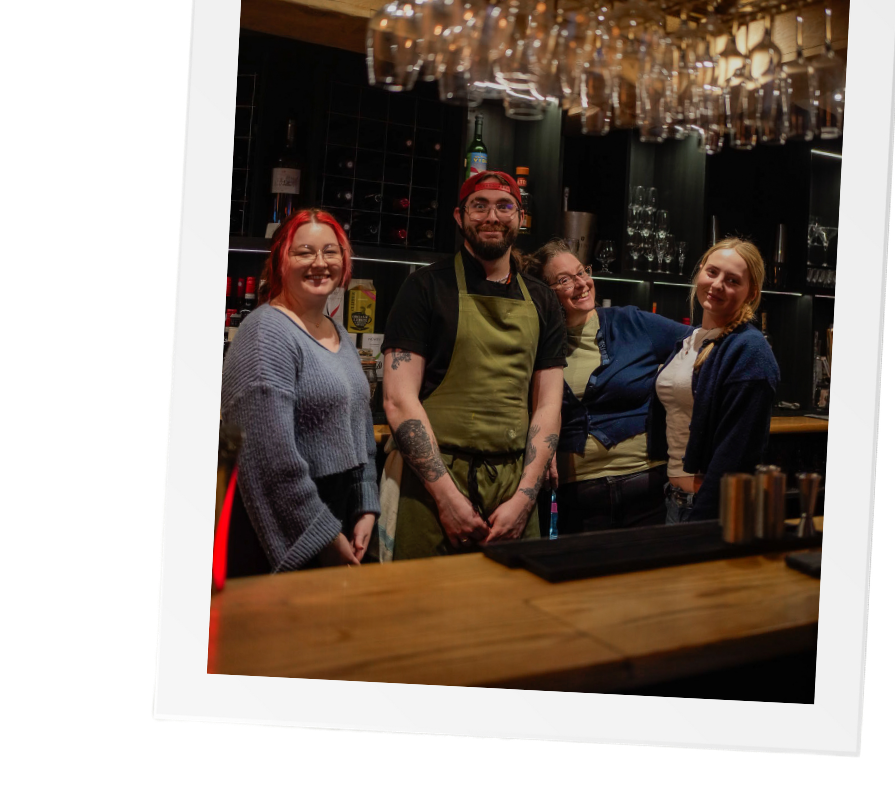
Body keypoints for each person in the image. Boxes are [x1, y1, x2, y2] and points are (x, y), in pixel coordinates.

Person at [379, 170, 567, 560]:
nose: (491, 217)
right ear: (459, 216)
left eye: (504, 206)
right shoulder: (425, 288)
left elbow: (549, 406)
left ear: (519, 217)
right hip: (432, 485)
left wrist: (524, 499)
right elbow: (399, 401)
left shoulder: (543, 300)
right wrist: (447, 499)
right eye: (478, 205)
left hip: (515, 485)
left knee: (513, 613)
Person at [221, 209, 380, 575]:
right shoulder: (266, 332)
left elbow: (361, 432)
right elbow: (268, 457)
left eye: (331, 251)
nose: (319, 263)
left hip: (340, 515)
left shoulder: (338, 333)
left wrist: (366, 504)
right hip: (284, 523)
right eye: (304, 251)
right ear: (280, 261)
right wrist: (322, 534)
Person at [521, 240, 690, 533]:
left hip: (647, 490)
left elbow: (702, 343)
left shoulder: (633, 323)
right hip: (577, 501)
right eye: (564, 280)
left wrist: (675, 391)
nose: (581, 283)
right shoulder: (536, 343)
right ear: (545, 292)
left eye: (582, 272)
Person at [652, 238, 780, 525]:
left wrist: (702, 520)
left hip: (705, 509)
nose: (718, 284)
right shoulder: (690, 341)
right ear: (700, 272)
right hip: (672, 500)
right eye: (712, 272)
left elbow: (736, 455)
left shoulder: (749, 351)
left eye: (733, 280)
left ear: (751, 293)